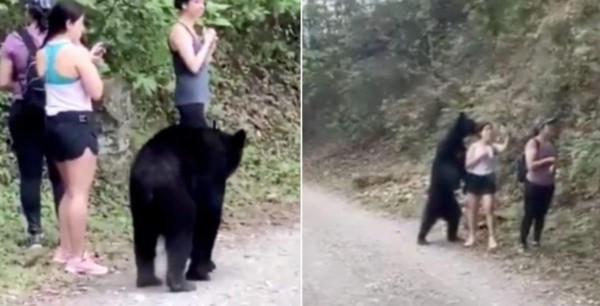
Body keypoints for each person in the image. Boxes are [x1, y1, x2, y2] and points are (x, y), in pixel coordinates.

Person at [36, 0, 108, 275]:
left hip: (53, 123)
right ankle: (78, 257)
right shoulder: (76, 53)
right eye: (81, 23)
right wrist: (90, 63)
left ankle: (65, 250)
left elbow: (58, 77)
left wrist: (87, 58)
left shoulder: (44, 53)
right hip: (77, 124)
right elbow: (96, 91)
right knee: (79, 193)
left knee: (67, 190)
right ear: (68, 23)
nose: (83, 28)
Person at [0, 0, 64, 250]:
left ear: (28, 11)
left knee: (30, 174)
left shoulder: (14, 40)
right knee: (60, 175)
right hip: (58, 109)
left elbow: (3, 81)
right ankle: (67, 234)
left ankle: (35, 234)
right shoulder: (62, 41)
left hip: (24, 111)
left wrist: (22, 84)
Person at [168, 0, 218, 128]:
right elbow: (193, 66)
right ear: (184, 4)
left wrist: (210, 46)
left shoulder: (191, 30)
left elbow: (203, 64)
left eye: (203, 3)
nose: (201, 6)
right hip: (189, 98)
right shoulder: (179, 31)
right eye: (196, 2)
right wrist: (206, 43)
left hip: (198, 98)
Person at [463, 122, 509, 250]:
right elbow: (467, 165)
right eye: (487, 129)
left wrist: (506, 134)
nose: (489, 132)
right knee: (473, 208)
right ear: (480, 132)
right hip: (474, 177)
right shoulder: (474, 147)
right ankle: (472, 235)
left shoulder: (492, 147)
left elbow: (504, 147)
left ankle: (492, 237)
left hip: (488, 177)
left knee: (489, 208)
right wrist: (479, 158)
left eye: (490, 130)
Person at [520, 117, 558, 250]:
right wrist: (548, 160)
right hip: (534, 183)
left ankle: (537, 240)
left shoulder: (550, 144)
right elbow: (530, 165)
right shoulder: (533, 143)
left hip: (547, 184)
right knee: (529, 213)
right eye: (549, 126)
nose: (552, 128)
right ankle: (523, 241)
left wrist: (553, 167)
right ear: (541, 128)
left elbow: (553, 163)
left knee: (541, 214)